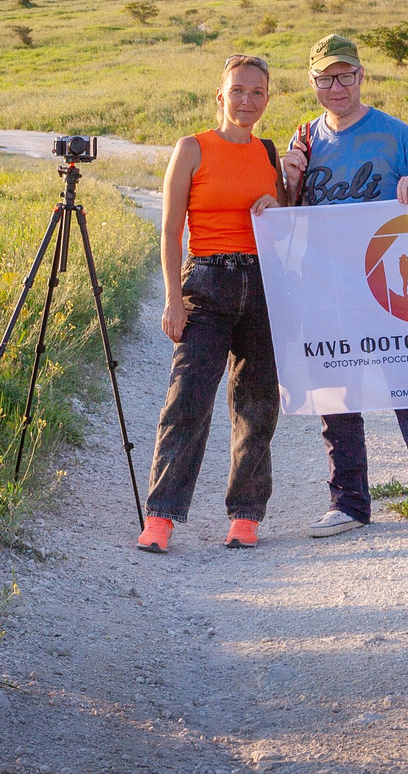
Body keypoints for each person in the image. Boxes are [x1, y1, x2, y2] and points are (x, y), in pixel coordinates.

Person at [276, 34, 408, 536]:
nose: (337, 87)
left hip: (387, 285)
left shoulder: (394, 135)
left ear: (361, 75)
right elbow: (287, 216)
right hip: (325, 288)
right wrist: (288, 180)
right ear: (312, 82)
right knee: (336, 396)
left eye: (346, 75)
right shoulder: (305, 140)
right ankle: (348, 503)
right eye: (326, 78)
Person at [138, 54, 284, 554]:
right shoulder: (192, 148)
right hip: (205, 282)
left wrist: (278, 204)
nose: (247, 100)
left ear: (267, 100)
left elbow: (286, 219)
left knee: (256, 405)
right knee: (187, 401)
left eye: (257, 92)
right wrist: (173, 301)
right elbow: (170, 230)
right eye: (238, 90)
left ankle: (245, 515)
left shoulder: (268, 153)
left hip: (261, 285)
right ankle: (160, 517)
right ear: (220, 96)